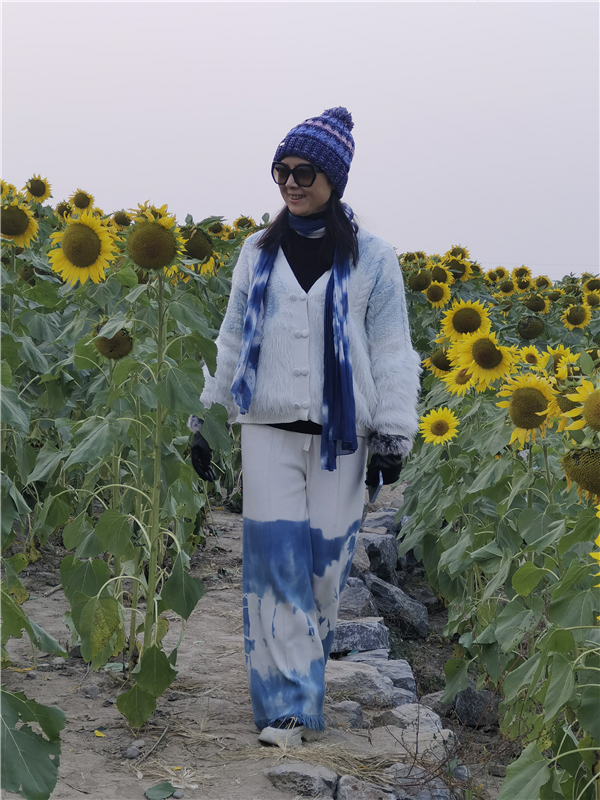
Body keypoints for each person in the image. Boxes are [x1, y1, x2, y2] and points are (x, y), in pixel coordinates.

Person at [189, 106, 421, 748]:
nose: (291, 182)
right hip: (266, 427)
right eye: (281, 170)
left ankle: (300, 685)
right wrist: (205, 420)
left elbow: (392, 348)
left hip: (342, 437)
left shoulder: (374, 259)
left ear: (334, 179)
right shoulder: (256, 252)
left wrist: (394, 432)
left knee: (325, 571)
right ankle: (286, 709)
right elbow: (231, 339)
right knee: (276, 565)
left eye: (304, 172)